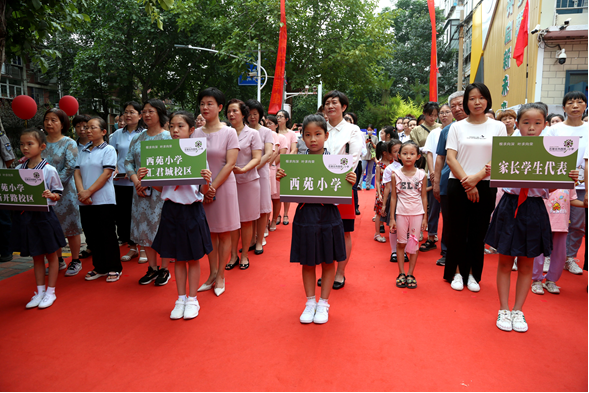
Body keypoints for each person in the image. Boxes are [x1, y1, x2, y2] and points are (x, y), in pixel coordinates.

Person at [485, 103, 579, 332]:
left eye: (537, 123)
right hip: (510, 207)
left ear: (545, 125)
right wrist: (490, 169)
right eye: (526, 123)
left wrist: (569, 178)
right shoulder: (508, 148)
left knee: (527, 263)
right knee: (505, 262)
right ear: (517, 124)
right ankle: (503, 309)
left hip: (535, 209)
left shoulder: (554, 152)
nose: (531, 128)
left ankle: (519, 310)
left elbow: (552, 189)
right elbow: (499, 178)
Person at [277, 114, 355, 324]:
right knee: (308, 262)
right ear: (302, 137)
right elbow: (291, 191)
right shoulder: (295, 164)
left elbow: (340, 197)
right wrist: (283, 178)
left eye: (318, 134)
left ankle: (324, 303)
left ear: (326, 135)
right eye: (308, 135)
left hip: (329, 216)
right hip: (305, 216)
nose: (313, 139)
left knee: (328, 261)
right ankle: (310, 302)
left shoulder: (337, 164)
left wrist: (348, 181)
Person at [138, 111, 213, 320]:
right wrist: (148, 179)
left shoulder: (198, 155)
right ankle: (180, 298)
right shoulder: (162, 155)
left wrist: (206, 179)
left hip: (192, 211)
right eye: (171, 126)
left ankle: (192, 299)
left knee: (193, 258)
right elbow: (164, 190)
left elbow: (204, 192)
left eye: (180, 126)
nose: (174, 130)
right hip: (171, 210)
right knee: (178, 259)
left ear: (191, 130)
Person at [444, 83, 507, 292]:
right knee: (457, 231)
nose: (477, 102)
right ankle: (455, 272)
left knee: (478, 232)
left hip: (486, 185)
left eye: (481, 98)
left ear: (487, 100)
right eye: (472, 98)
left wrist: (477, 178)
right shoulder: (457, 127)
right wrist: (467, 182)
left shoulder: (497, 127)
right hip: (457, 184)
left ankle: (472, 273)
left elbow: (500, 158)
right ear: (466, 102)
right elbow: (451, 158)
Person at [192, 87, 240, 297]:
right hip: (202, 190)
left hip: (224, 187)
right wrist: (204, 189)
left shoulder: (229, 132)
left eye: (210, 103)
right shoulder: (196, 133)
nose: (205, 107)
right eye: (202, 103)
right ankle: (211, 274)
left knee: (224, 232)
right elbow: (192, 163)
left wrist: (212, 188)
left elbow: (230, 164)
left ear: (220, 107)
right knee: (209, 232)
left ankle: (221, 275)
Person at [13, 128, 66, 309]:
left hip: (45, 217)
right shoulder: (19, 169)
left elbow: (58, 193)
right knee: (36, 256)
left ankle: (51, 292)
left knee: (51, 255)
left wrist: (51, 195)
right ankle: (39, 291)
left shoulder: (49, 169)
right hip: (27, 218)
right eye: (22, 144)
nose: (25, 148)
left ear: (42, 146)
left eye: (30, 144)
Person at [124, 99, 172, 286]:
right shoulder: (138, 137)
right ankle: (152, 268)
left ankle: (165, 268)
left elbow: (173, 166)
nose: (146, 115)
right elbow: (128, 161)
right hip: (140, 192)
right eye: (144, 111)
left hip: (161, 193)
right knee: (144, 230)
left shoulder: (169, 137)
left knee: (162, 230)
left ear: (160, 113)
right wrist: (136, 180)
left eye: (150, 111)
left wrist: (153, 182)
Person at [319, 90, 364, 289]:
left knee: (344, 231)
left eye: (334, 103)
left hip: (343, 184)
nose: (330, 106)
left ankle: (340, 273)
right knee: (322, 230)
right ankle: (327, 270)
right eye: (327, 102)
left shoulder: (353, 130)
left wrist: (335, 174)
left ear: (343, 107)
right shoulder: (320, 128)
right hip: (319, 186)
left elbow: (353, 159)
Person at [544, 91, 588, 275]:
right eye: (571, 103)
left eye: (580, 102)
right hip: (558, 183)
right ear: (564, 108)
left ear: (585, 106)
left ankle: (569, 257)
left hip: (582, 185)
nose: (575, 106)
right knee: (551, 221)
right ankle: (547, 254)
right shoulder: (555, 129)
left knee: (577, 224)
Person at [74, 117, 121, 282]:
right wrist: (81, 192)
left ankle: (114, 267)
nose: (88, 130)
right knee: (92, 235)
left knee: (107, 234)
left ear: (103, 131)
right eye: (87, 128)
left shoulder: (108, 149)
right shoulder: (84, 149)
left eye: (92, 127)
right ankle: (99, 267)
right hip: (84, 200)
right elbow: (77, 172)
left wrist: (89, 192)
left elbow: (106, 173)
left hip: (103, 199)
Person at [41, 108, 83, 276]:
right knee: (51, 226)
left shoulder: (69, 143)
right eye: (47, 120)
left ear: (62, 123)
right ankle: (57, 260)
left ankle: (75, 260)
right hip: (44, 193)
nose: (49, 123)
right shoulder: (40, 141)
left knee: (71, 227)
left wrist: (53, 186)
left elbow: (70, 167)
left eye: (54, 120)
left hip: (65, 192)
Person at [225, 99, 262, 270]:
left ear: (243, 114)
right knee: (233, 221)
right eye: (229, 111)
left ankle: (245, 254)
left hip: (248, 181)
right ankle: (233, 255)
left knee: (246, 221)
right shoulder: (225, 132)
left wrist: (244, 169)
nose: (231, 114)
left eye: (234, 111)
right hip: (229, 181)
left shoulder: (253, 134)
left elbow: (257, 157)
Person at [433, 91, 467, 267]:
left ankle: (467, 254)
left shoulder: (488, 128)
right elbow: (440, 157)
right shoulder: (446, 130)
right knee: (449, 219)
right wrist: (436, 182)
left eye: (460, 104)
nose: (457, 109)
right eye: (453, 106)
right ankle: (447, 252)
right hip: (449, 181)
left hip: (476, 181)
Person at [110, 101, 146, 262]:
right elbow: (111, 155)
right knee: (124, 216)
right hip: (120, 182)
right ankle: (132, 247)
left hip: (140, 182)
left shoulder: (145, 134)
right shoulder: (116, 134)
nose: (128, 115)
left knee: (140, 215)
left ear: (140, 115)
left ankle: (144, 247)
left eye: (132, 112)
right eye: (126, 112)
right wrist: (116, 168)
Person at [389, 141, 427, 289]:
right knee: (401, 243)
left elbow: (424, 197)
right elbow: (393, 197)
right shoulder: (395, 174)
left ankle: (411, 273)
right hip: (401, 213)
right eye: (405, 154)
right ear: (399, 156)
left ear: (418, 156)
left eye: (412, 154)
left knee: (414, 244)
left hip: (417, 213)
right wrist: (392, 218)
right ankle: (401, 273)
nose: (408, 157)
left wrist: (425, 217)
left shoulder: (422, 174)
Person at [421, 103, 452, 253]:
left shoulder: (456, 130)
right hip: (434, 174)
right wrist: (432, 172)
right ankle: (431, 237)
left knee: (449, 211)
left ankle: (448, 242)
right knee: (433, 208)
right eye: (442, 112)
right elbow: (429, 153)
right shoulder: (434, 133)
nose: (444, 115)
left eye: (448, 112)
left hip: (452, 176)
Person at [245, 100, 275, 254]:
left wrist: (252, 167)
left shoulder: (266, 132)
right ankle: (250, 239)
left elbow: (269, 153)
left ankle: (259, 240)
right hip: (244, 175)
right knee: (249, 208)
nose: (252, 117)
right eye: (249, 114)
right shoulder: (240, 131)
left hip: (260, 172)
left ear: (260, 115)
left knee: (262, 208)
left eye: (255, 114)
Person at [381, 140, 403, 262]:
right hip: (394, 199)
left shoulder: (411, 166)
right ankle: (394, 251)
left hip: (408, 200)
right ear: (390, 154)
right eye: (395, 151)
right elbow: (387, 188)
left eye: (400, 150)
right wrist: (384, 205)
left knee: (407, 226)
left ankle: (404, 250)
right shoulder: (390, 169)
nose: (398, 153)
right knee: (394, 226)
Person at [276, 109, 298, 226]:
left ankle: (285, 213)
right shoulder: (273, 133)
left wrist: (286, 158)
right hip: (274, 164)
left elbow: (294, 149)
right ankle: (277, 214)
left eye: (281, 116)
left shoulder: (291, 134)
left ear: (287, 119)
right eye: (277, 116)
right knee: (276, 193)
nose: (278, 118)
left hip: (287, 164)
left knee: (285, 191)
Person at [268, 115, 288, 231]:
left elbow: (282, 153)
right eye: (266, 123)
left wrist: (270, 165)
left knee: (276, 198)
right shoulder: (262, 135)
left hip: (277, 170)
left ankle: (274, 220)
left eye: (271, 123)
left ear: (276, 125)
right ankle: (266, 221)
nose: (268, 125)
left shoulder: (281, 137)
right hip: (266, 169)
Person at [410, 102, 441, 173]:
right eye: (430, 115)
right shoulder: (416, 130)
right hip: (423, 163)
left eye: (435, 115)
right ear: (424, 113)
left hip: (438, 161)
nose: (433, 118)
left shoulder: (441, 128)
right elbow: (413, 148)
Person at [0, 123, 16, 263]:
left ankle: (6, 250)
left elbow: (9, 158)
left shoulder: (0, 136)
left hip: (0, 183)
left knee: (3, 219)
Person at [373, 142, 390, 243]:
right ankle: (377, 233)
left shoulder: (394, 163)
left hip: (393, 190)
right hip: (383, 191)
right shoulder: (379, 165)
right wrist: (379, 193)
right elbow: (377, 181)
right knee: (379, 212)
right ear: (384, 153)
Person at [360, 125, 377, 190]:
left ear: (373, 130)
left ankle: (368, 185)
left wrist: (372, 143)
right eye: (368, 129)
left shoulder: (375, 137)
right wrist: (366, 142)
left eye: (370, 129)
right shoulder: (364, 137)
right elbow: (361, 145)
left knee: (369, 171)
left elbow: (376, 147)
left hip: (372, 156)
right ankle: (359, 184)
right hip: (364, 156)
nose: (369, 131)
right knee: (362, 170)